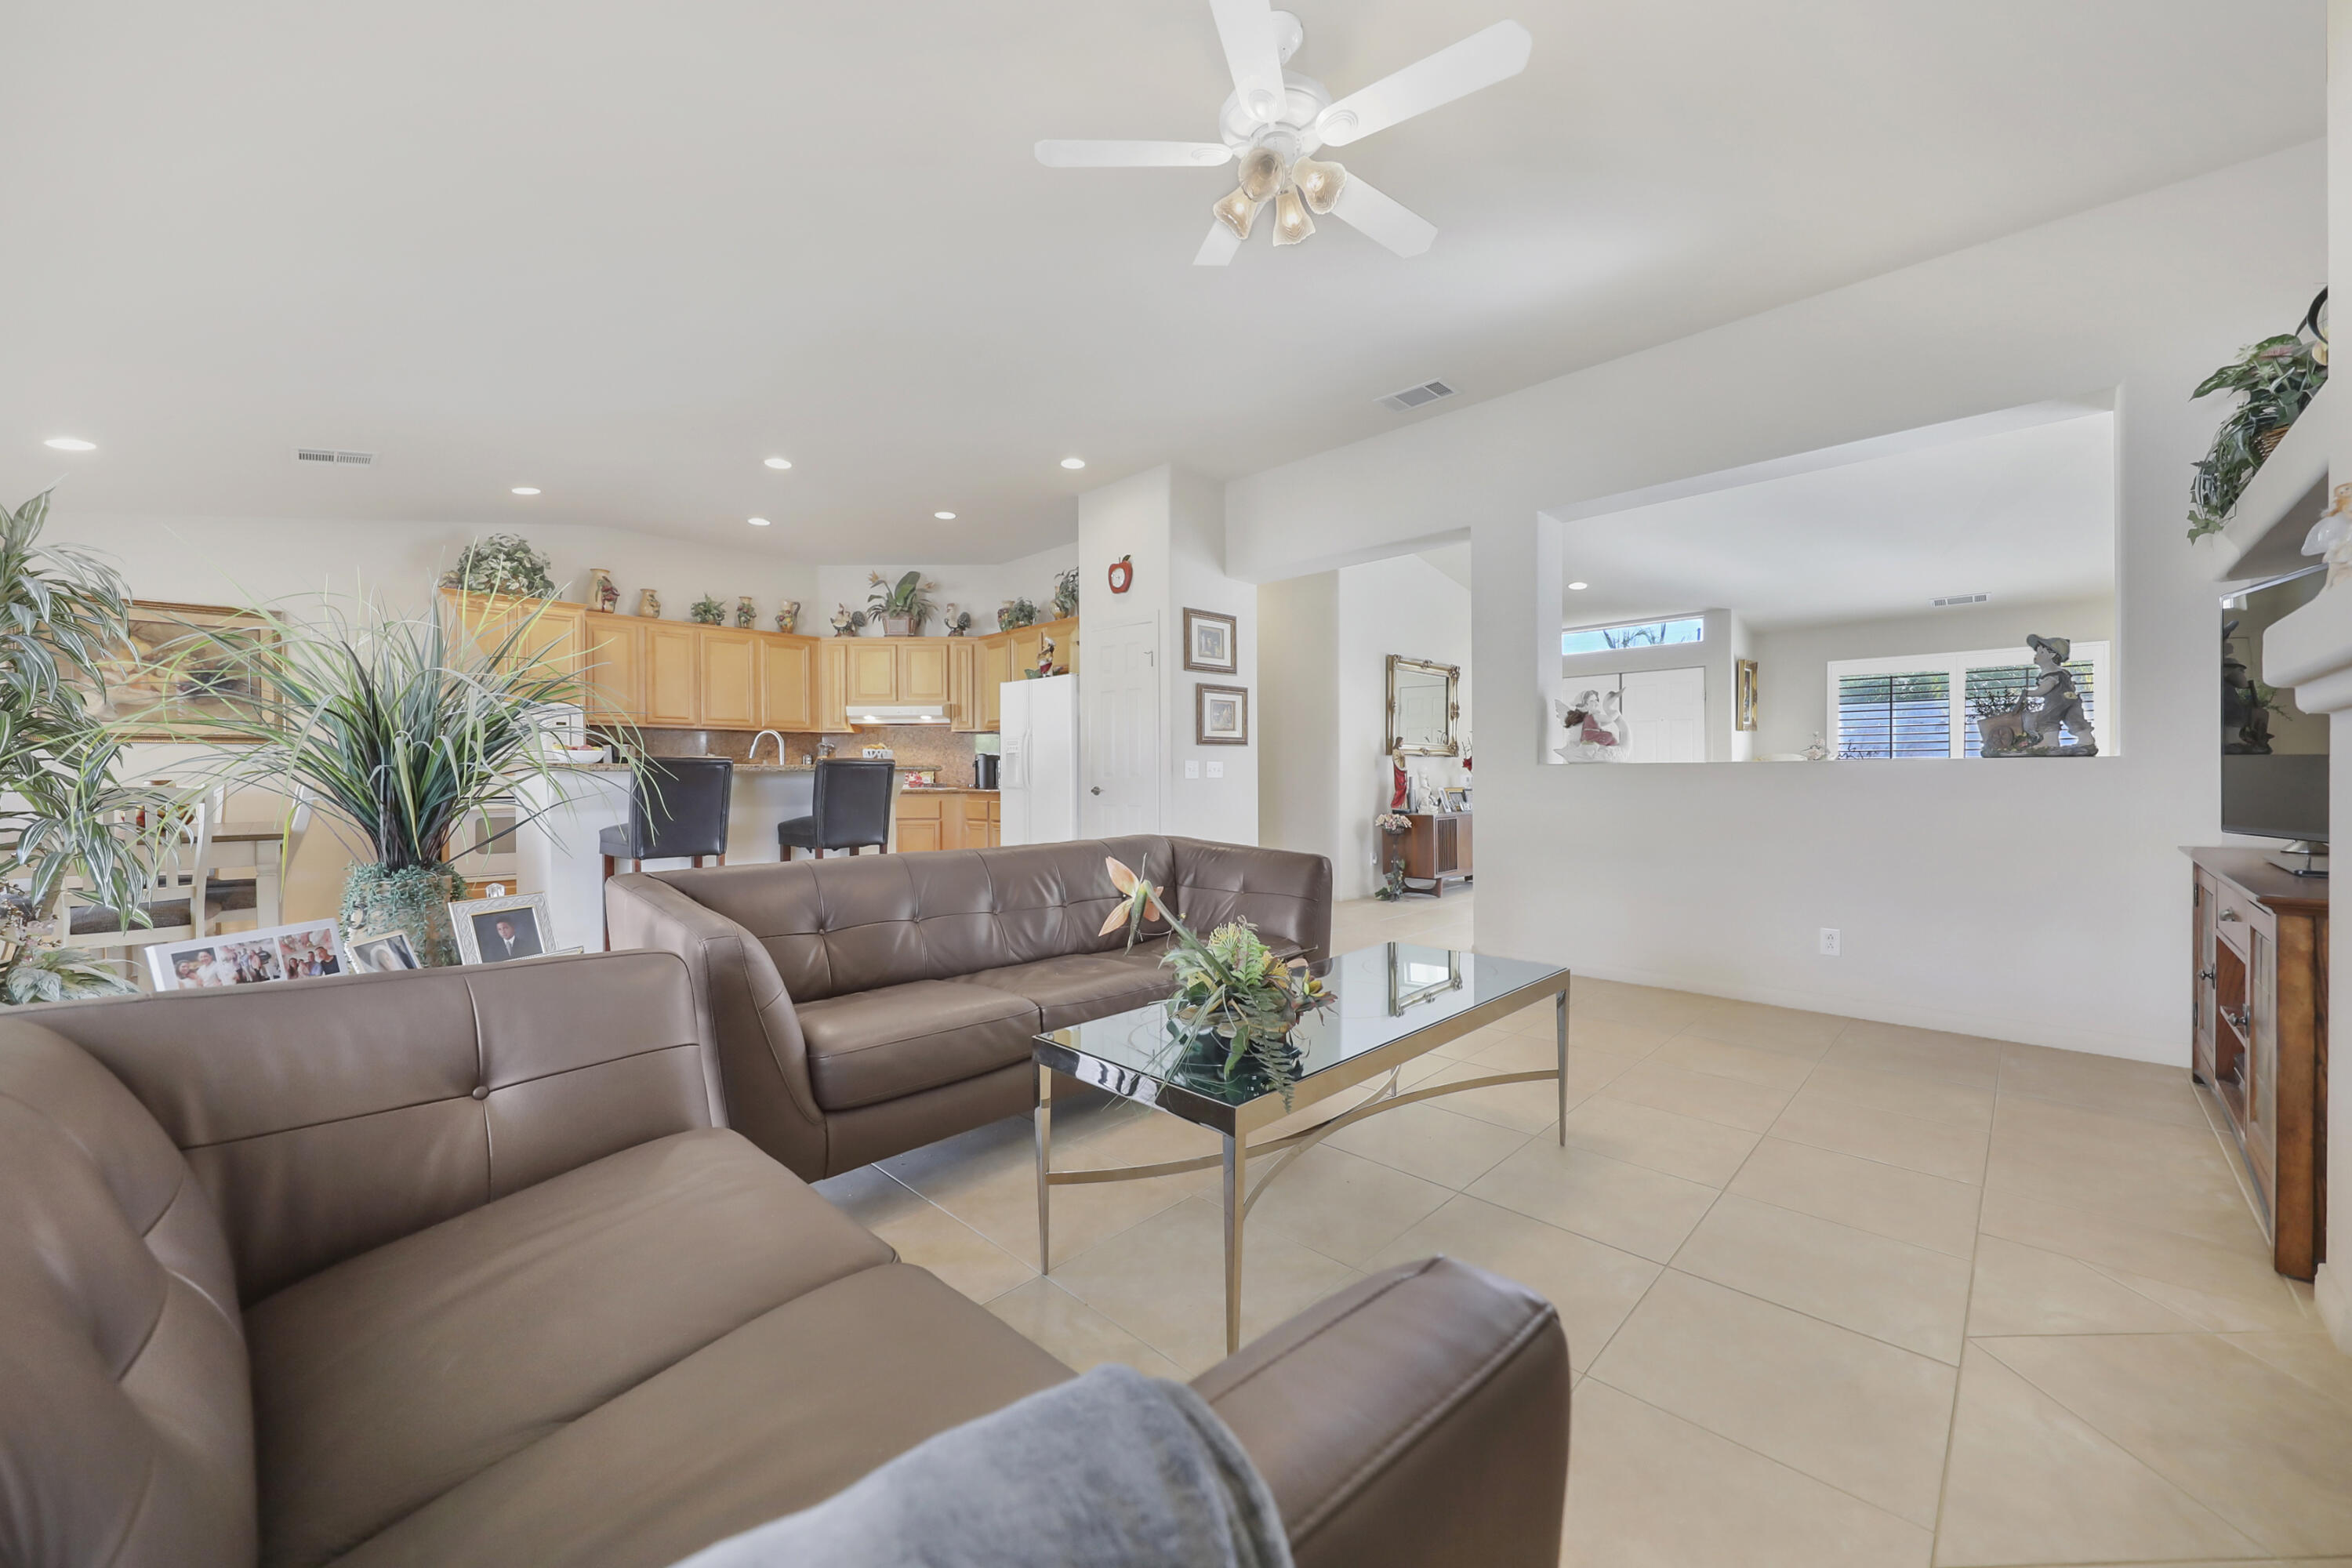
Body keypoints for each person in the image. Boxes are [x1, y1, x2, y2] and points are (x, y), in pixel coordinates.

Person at [478, 912, 542, 961]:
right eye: (499, 929)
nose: (503, 932)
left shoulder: (525, 944)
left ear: (513, 928)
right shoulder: (494, 949)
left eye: (505, 928)